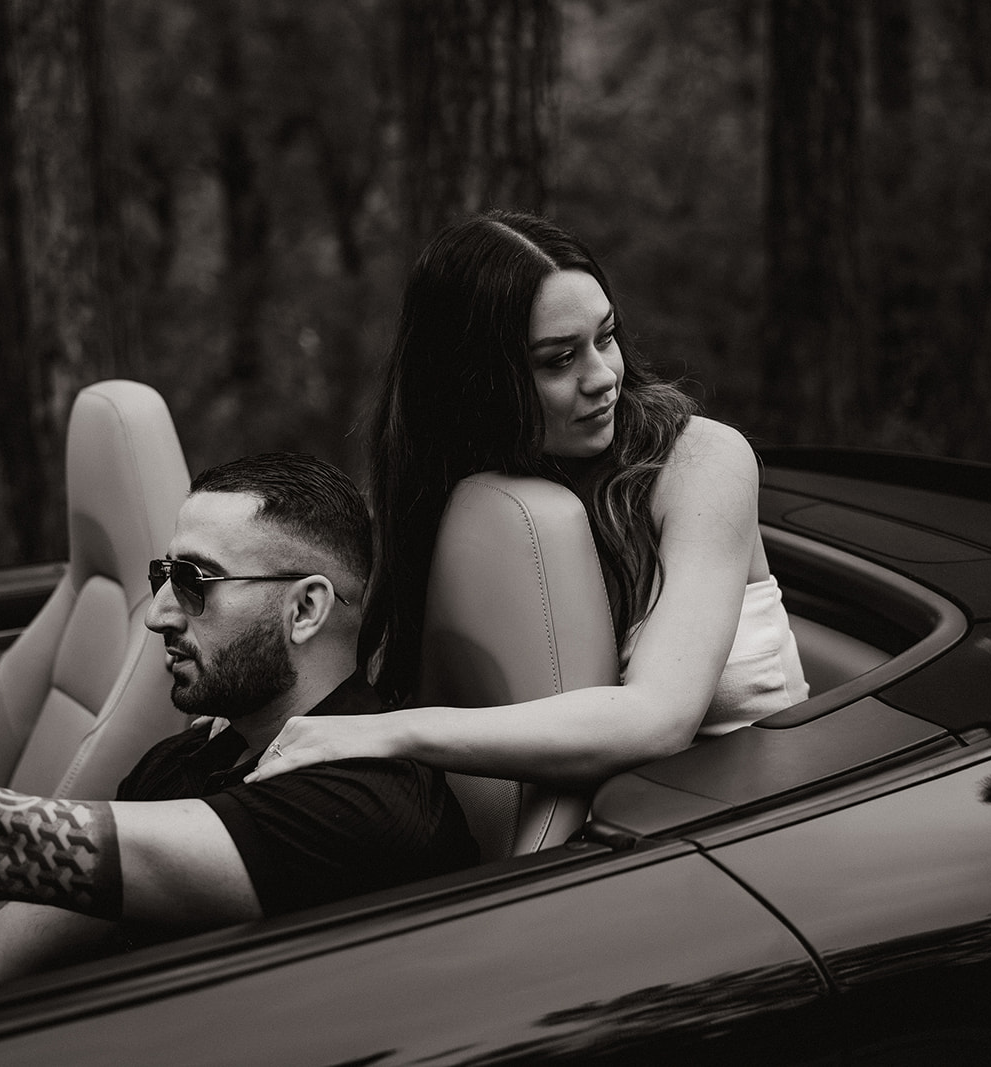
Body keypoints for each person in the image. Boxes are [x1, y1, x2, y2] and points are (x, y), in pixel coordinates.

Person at [0, 453, 477, 1013]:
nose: (162, 612)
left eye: (195, 583)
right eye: (160, 578)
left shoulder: (359, 804)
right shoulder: (193, 754)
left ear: (304, 609)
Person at [250, 210, 807, 791]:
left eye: (606, 337)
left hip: (770, 820)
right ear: (475, 381)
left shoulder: (701, 462)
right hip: (619, 838)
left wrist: (390, 732)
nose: (603, 377)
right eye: (559, 360)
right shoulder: (462, 502)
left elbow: (660, 718)